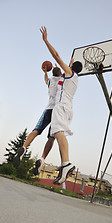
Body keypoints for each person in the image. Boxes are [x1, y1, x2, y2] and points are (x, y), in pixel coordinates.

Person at [39, 26, 82, 185]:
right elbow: (66, 72)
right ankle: (65, 164)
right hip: (67, 108)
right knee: (57, 133)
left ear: (71, 68)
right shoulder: (73, 77)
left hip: (61, 106)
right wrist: (71, 63)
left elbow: (55, 56)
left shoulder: (70, 73)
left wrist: (46, 41)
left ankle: (66, 163)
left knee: (57, 133)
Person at [13, 64, 62, 171]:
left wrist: (45, 72)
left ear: (52, 73)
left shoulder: (50, 81)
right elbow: (67, 74)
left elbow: (46, 79)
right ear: (61, 73)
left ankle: (24, 147)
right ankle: (42, 159)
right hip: (58, 111)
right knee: (51, 137)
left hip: (48, 109)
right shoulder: (63, 80)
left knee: (36, 130)